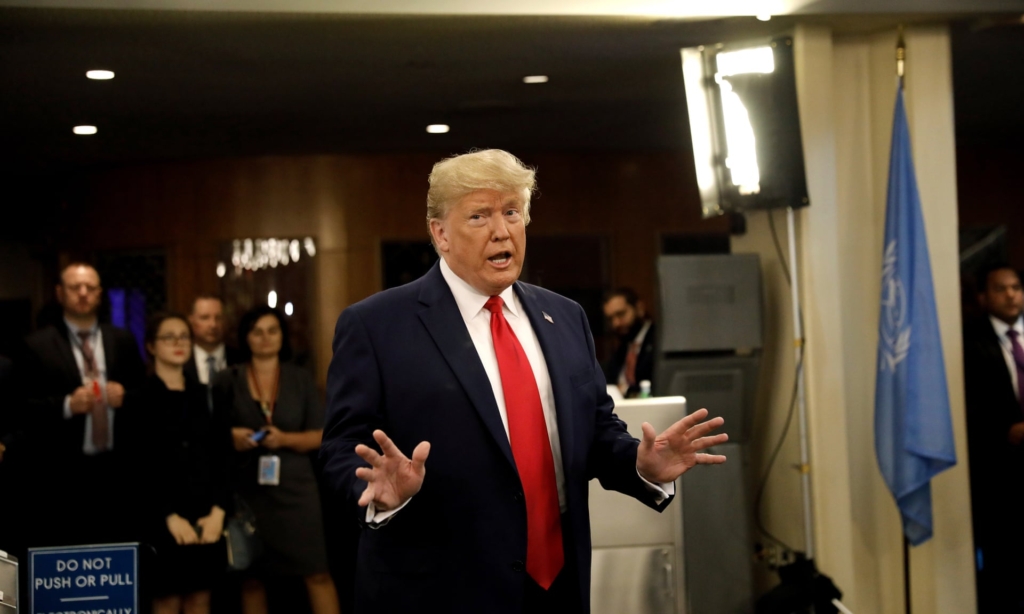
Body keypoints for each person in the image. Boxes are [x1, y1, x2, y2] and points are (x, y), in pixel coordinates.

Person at [319, 149, 728, 614]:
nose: (502, 230)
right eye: (479, 215)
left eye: (512, 212)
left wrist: (640, 465)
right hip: (438, 591)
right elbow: (340, 448)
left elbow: (595, 431)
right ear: (440, 233)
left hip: (557, 589)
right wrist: (379, 493)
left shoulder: (565, 317)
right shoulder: (376, 326)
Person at [213, 305, 339, 614]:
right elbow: (211, 435)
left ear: (283, 336)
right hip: (249, 489)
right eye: (257, 332)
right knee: (253, 578)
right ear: (246, 338)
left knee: (318, 572)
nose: (265, 338)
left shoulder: (300, 378)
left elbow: (323, 435)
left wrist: (285, 439)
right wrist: (232, 437)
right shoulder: (226, 379)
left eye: (273, 330)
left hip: (297, 488)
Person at [21, 262, 146, 547]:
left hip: (117, 473)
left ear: (99, 294)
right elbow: (22, 410)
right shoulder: (36, 345)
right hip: (62, 476)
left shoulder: (122, 339)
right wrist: (66, 405)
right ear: (59, 293)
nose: (83, 293)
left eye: (90, 287)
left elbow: (145, 397)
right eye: (74, 287)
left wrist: (126, 396)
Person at [123, 312, 231, 614]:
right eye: (168, 337)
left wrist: (218, 512)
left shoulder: (208, 394)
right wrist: (168, 516)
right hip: (158, 518)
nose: (178, 343)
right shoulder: (137, 400)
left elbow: (223, 457)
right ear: (151, 346)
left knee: (201, 600)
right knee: (166, 601)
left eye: (184, 336)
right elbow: (136, 468)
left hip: (206, 517)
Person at [963, 263, 1024, 613]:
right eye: (1001, 289)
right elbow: (967, 406)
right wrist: (1005, 430)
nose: (1011, 294)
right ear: (984, 297)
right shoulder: (970, 341)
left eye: (1015, 287)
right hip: (998, 473)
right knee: (1003, 567)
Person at [602, 288, 656, 398]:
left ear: (639, 308)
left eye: (621, 314)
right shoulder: (622, 348)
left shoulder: (658, 339)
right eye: (610, 318)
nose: (615, 323)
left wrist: (625, 389)